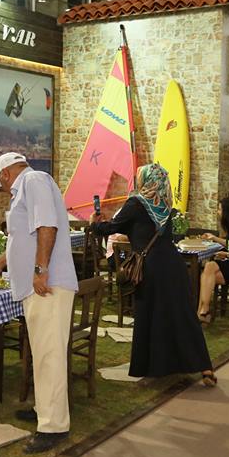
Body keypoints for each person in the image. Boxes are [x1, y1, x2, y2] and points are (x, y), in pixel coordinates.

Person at [0, 152, 78, 454]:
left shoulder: (33, 180)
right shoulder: (29, 185)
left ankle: (53, 427)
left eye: (1, 182)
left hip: (47, 284)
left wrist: (40, 270)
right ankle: (44, 409)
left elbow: (47, 227)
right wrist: (0, 263)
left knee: (49, 355)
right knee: (42, 353)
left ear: (6, 174)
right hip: (38, 285)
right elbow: (23, 237)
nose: (3, 188)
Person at [90, 163, 217, 387]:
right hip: (174, 266)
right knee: (183, 316)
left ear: (146, 180)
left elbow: (110, 229)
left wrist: (94, 223)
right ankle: (204, 367)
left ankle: (156, 367)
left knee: (151, 316)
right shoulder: (166, 205)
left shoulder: (136, 203)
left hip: (150, 269)